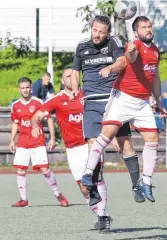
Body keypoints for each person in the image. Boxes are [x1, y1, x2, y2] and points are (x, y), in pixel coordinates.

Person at [80, 16, 167, 204]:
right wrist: (131, 52)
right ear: (136, 32)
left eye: (149, 26)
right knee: (106, 135)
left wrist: (159, 101)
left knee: (153, 139)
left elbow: (156, 78)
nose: (148, 29)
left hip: (142, 102)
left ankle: (146, 182)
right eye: (144, 27)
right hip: (123, 98)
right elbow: (129, 57)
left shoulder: (155, 51)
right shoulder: (133, 45)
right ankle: (87, 174)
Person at [71, 15, 144, 208]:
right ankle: (93, 190)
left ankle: (137, 185)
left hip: (114, 102)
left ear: (108, 32)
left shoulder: (113, 42)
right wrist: (73, 89)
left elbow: (123, 62)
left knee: (125, 144)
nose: (97, 35)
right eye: (95, 30)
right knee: (93, 147)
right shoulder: (81, 47)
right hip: (92, 104)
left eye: (101, 32)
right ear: (91, 28)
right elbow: (74, 72)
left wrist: (110, 68)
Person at [31, 68, 111, 232]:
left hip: (90, 143)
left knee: (96, 178)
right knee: (84, 188)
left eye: (74, 75)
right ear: (62, 80)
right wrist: (34, 125)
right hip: (72, 149)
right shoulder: (56, 99)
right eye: (68, 76)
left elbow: (107, 112)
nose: (72, 78)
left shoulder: (86, 95)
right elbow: (37, 115)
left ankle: (103, 216)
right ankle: (100, 216)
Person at [10, 77, 68, 207]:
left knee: (45, 169)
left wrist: (52, 138)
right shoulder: (16, 105)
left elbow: (49, 119)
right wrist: (12, 140)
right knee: (20, 170)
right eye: (22, 88)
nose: (25, 90)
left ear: (31, 88)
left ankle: (58, 194)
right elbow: (15, 123)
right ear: (19, 89)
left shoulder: (38, 103)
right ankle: (23, 199)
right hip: (23, 142)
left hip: (37, 142)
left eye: (27, 87)